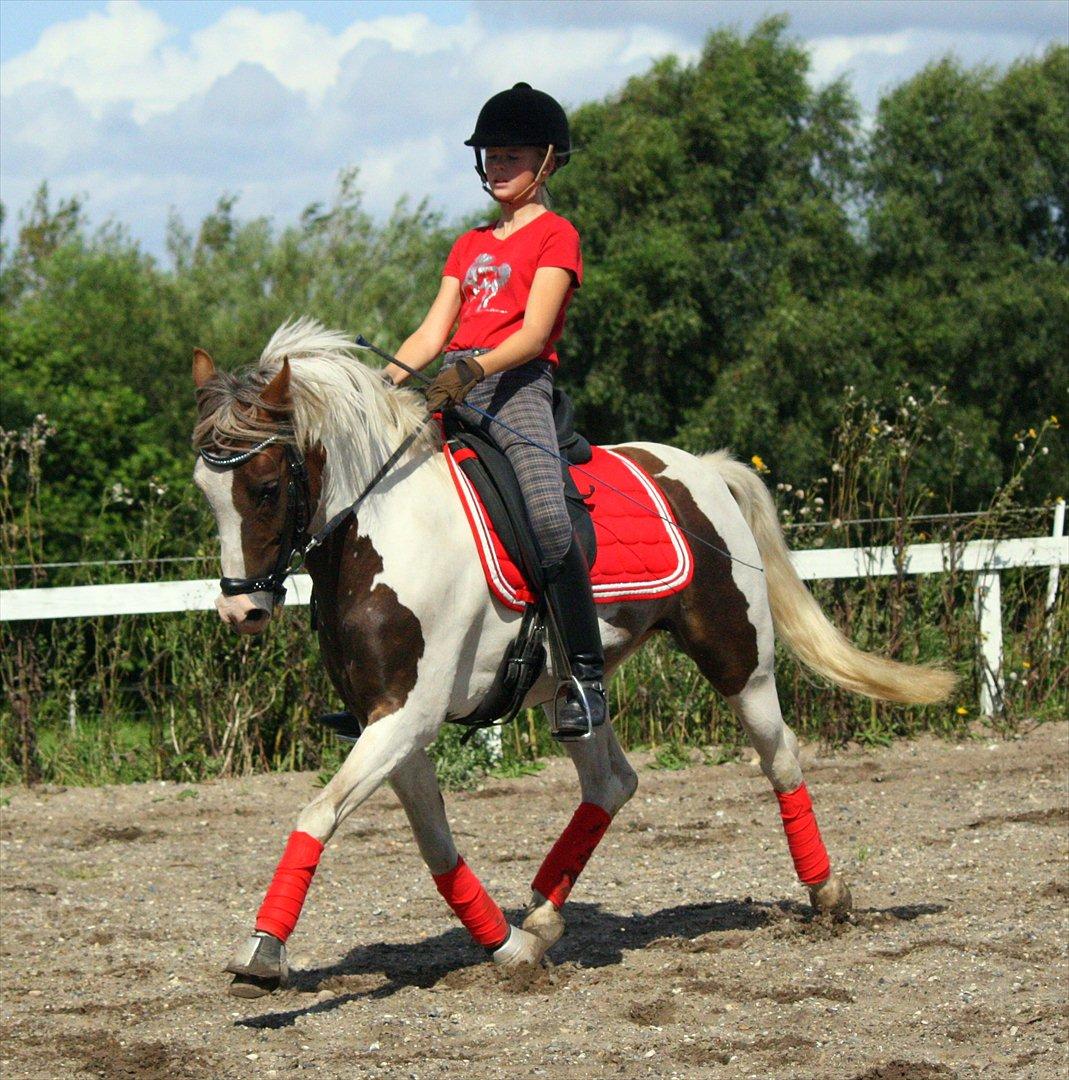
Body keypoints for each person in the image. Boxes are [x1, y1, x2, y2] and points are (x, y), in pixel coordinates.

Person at [382, 82, 605, 739]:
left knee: (546, 519)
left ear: (546, 162)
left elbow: (534, 333)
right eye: (490, 156)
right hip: (452, 380)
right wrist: (382, 386)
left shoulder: (556, 235)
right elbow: (429, 334)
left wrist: (471, 369)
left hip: (517, 387)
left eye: (511, 156)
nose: (497, 166)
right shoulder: (468, 244)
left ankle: (584, 679)